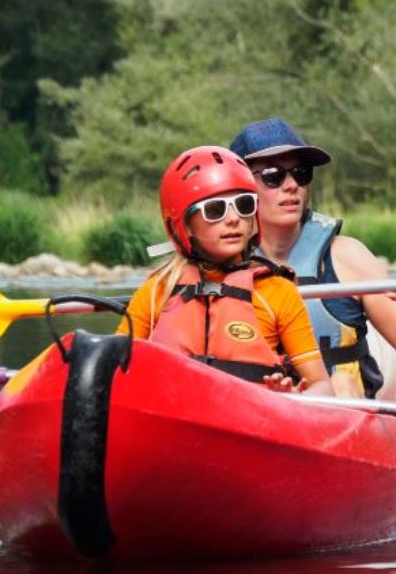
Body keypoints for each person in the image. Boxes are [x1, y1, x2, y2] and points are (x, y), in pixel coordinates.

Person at [228, 118, 396, 400]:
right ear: (241, 186)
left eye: (301, 173)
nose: (291, 185)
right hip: (258, 409)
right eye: (273, 175)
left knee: (340, 382)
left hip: (341, 420)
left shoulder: (347, 258)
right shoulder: (220, 262)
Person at [120, 145, 334, 396]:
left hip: (257, 420)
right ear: (185, 225)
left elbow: (322, 386)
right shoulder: (158, 290)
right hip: (173, 415)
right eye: (215, 210)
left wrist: (289, 400)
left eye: (243, 205)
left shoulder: (278, 291)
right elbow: (116, 370)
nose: (233, 218)